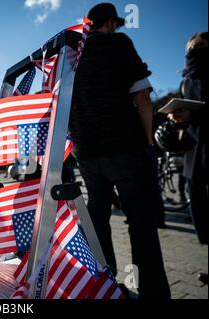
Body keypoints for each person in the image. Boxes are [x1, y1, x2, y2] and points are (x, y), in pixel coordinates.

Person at [69, 3, 170, 299]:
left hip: (87, 151)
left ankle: (103, 284)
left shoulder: (74, 54)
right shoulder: (118, 43)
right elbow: (141, 95)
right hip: (125, 145)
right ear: (111, 22)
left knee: (97, 215)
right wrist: (149, 139)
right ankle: (153, 292)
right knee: (140, 222)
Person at [168, 32, 208, 285]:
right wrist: (177, 117)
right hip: (195, 149)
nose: (192, 52)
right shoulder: (187, 80)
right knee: (201, 208)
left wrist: (192, 117)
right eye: (190, 48)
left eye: (199, 47)